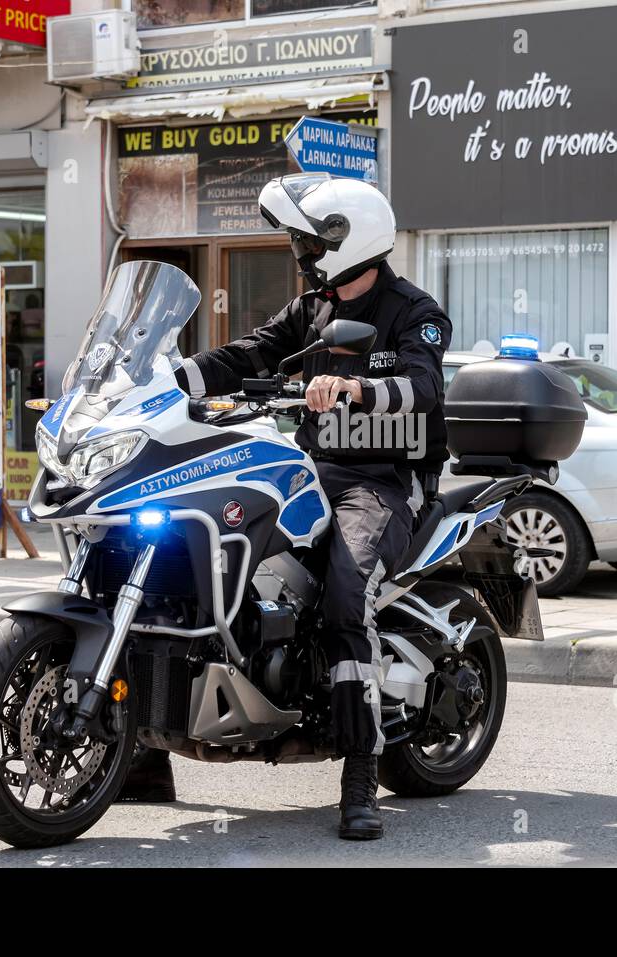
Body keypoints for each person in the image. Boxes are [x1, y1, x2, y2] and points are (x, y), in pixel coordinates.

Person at [119, 172, 452, 841]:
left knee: (344, 594)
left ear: (343, 241)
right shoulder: (314, 306)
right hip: (308, 467)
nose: (297, 248)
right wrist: (165, 378)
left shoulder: (417, 312)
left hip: (384, 481)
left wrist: (354, 388)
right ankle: (142, 758)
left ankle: (360, 776)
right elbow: (251, 352)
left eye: (306, 237)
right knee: (178, 562)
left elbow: (423, 388)